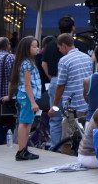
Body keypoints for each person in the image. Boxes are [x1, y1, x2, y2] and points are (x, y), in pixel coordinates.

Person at [42, 16, 76, 149]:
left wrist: (52, 78)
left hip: (55, 82)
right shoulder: (75, 45)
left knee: (55, 117)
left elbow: (44, 63)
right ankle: (70, 147)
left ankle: (55, 147)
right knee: (72, 117)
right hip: (70, 84)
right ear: (73, 28)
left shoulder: (50, 44)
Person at [8, 36, 43, 161]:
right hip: (28, 96)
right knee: (25, 123)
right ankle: (22, 150)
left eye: (37, 46)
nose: (37, 48)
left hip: (25, 95)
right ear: (26, 48)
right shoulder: (27, 63)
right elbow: (27, 84)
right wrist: (33, 102)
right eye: (34, 46)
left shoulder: (25, 62)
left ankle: (23, 149)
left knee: (26, 123)